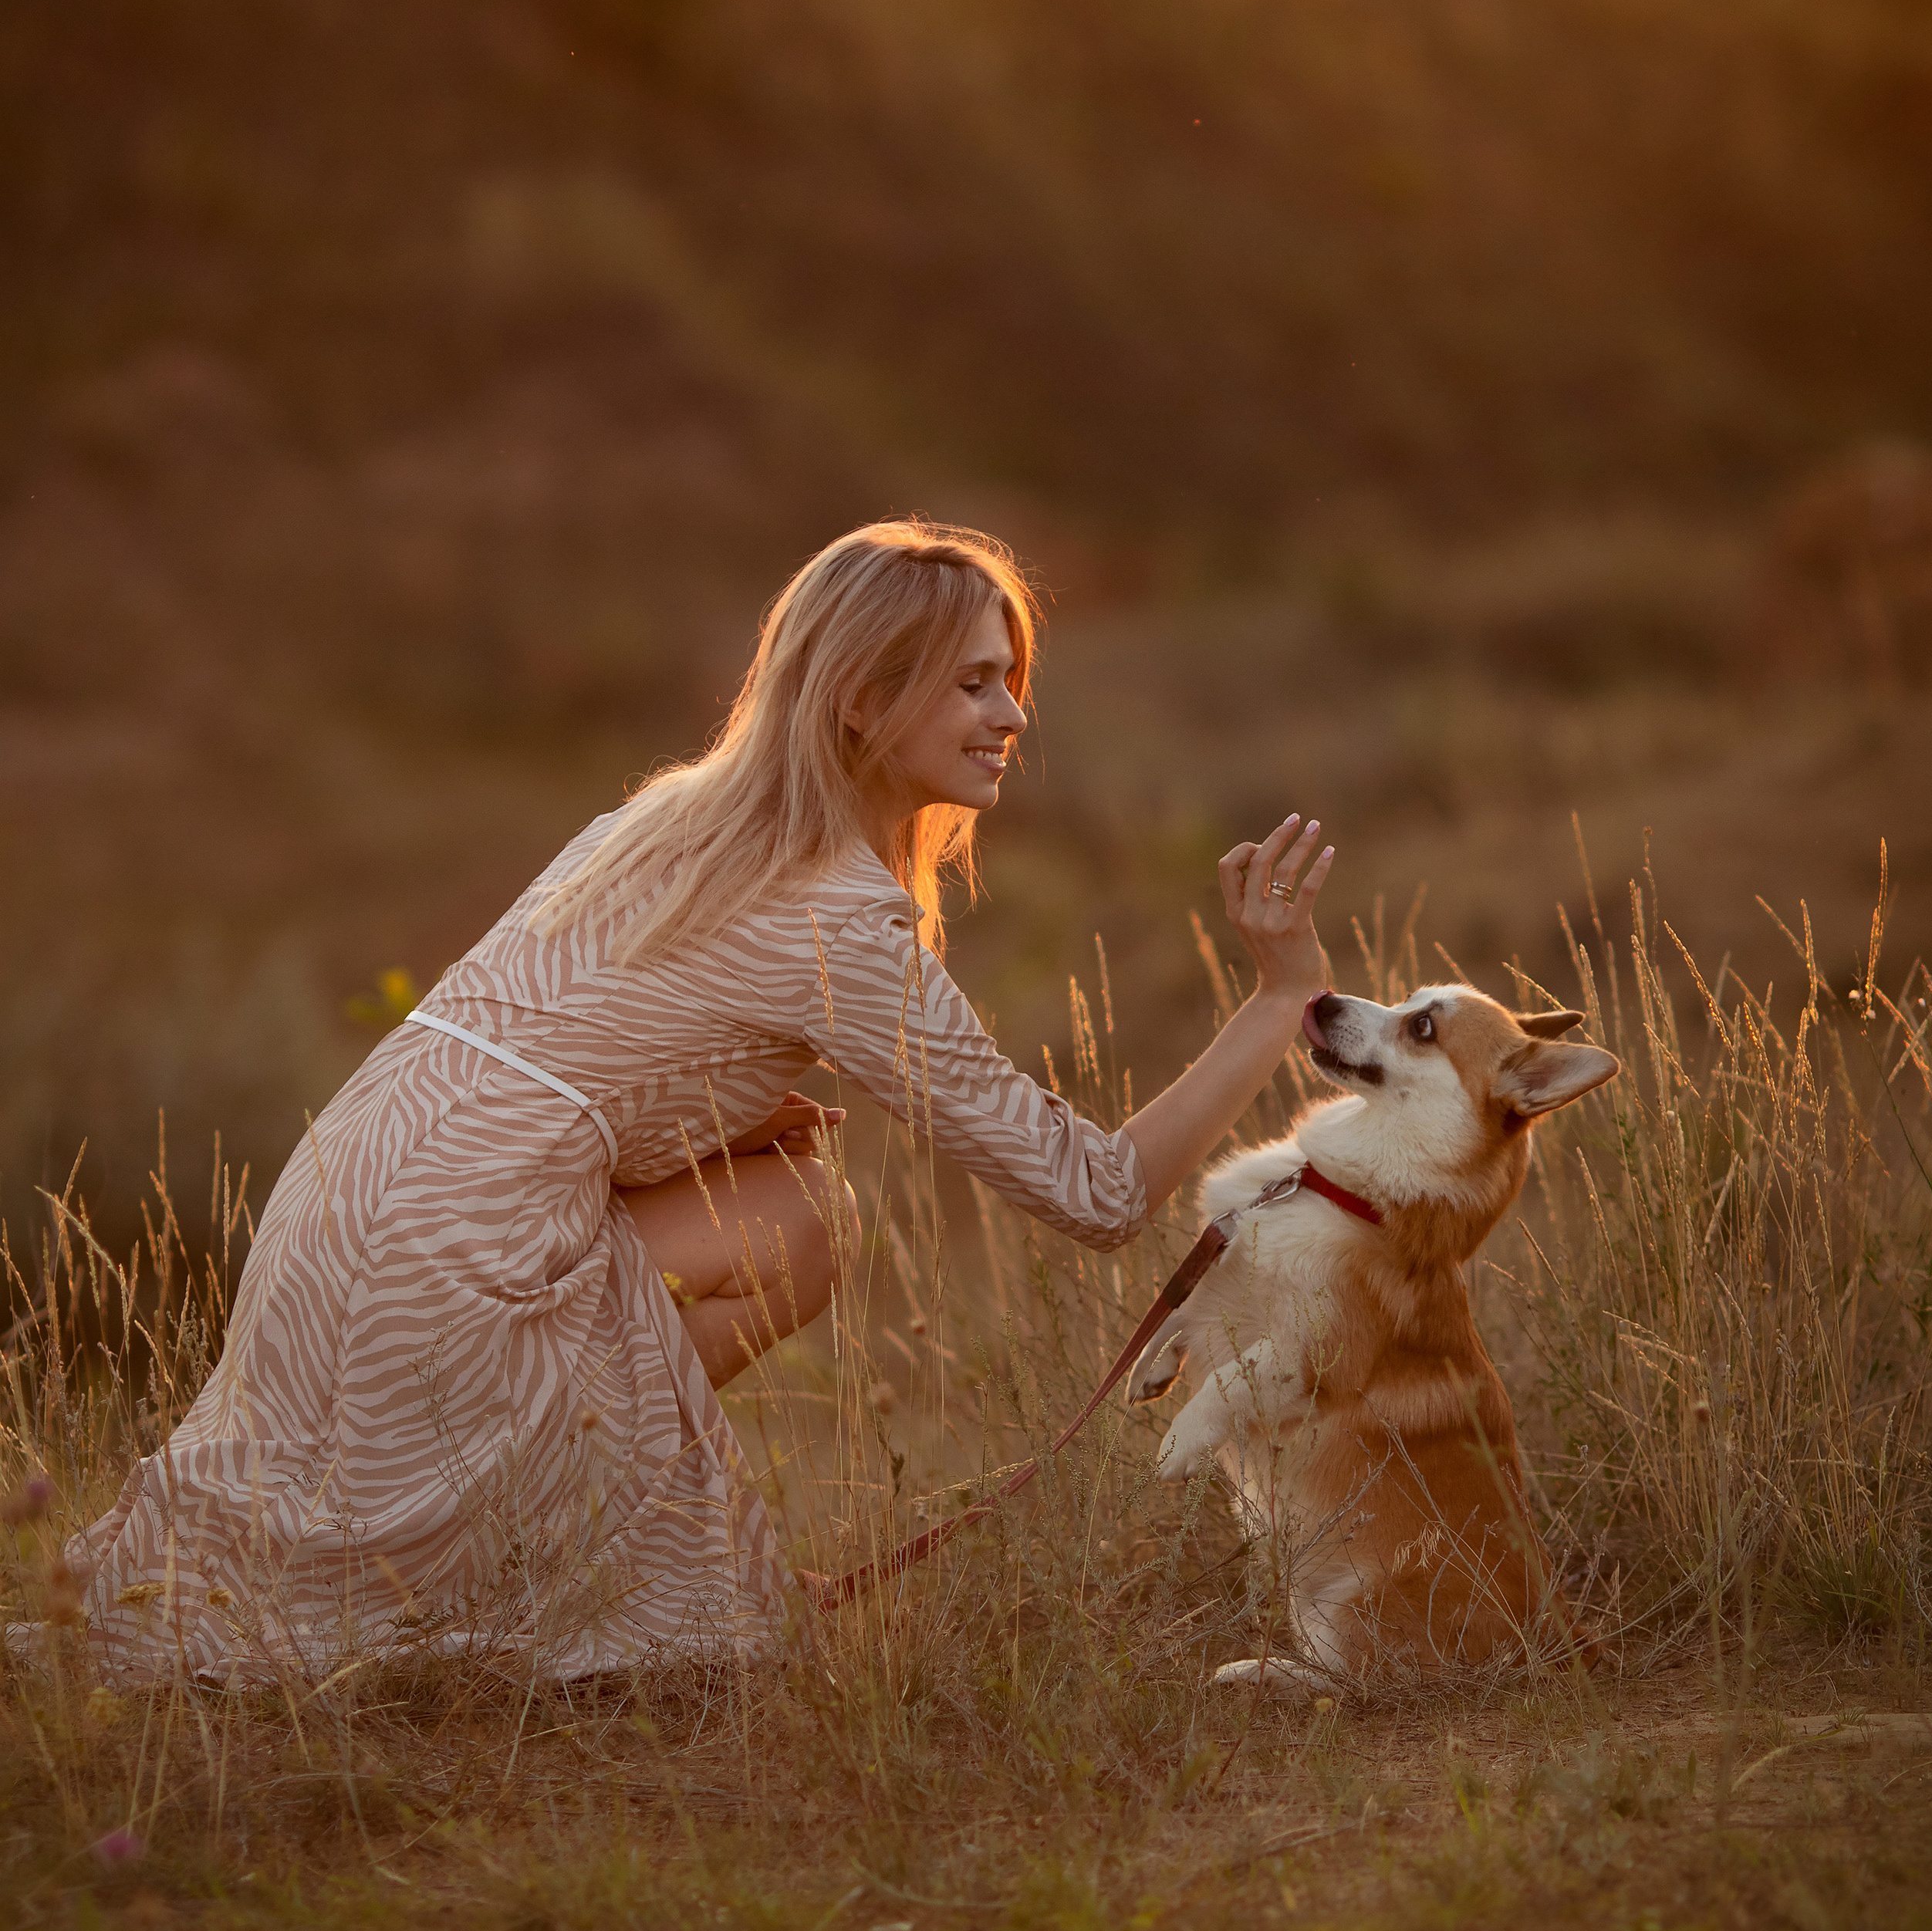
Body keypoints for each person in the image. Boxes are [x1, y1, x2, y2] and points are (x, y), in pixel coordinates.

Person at [75, 522, 1332, 1680]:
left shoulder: (662, 821)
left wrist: (721, 1120)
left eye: (1010, 679)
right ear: (860, 699)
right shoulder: (836, 916)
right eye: (971, 684)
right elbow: (1097, 1194)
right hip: (449, 1266)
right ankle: (569, 1559)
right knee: (808, 1222)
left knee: (791, 1199)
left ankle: (551, 1538)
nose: (1011, 714)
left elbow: (538, 1073)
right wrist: (1280, 998)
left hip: (332, 1214)